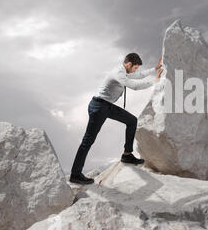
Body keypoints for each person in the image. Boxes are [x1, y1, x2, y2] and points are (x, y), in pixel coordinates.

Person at [69, 52, 163, 185]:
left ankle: (127, 155)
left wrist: (155, 68)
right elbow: (135, 86)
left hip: (106, 106)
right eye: (135, 67)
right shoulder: (118, 73)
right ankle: (75, 174)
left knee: (132, 121)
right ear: (129, 64)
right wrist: (155, 81)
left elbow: (138, 76)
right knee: (88, 141)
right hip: (99, 107)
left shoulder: (124, 71)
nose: (136, 70)